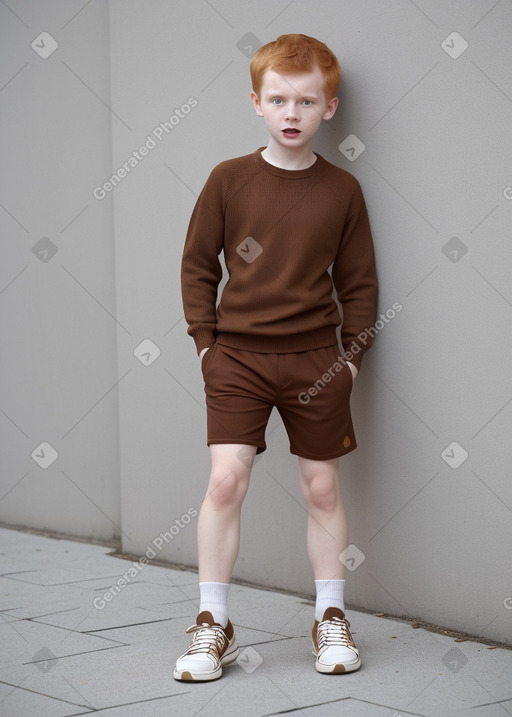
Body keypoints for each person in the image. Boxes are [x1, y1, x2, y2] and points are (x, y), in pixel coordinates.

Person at [174, 33, 378, 681]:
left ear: (330, 107)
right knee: (226, 479)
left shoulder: (342, 190)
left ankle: (330, 616)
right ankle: (213, 623)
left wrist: (352, 359)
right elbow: (196, 265)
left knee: (321, 486)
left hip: (317, 360)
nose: (293, 112)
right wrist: (206, 345)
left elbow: (361, 283)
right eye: (280, 99)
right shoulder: (228, 180)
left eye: (308, 101)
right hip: (236, 358)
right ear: (257, 103)